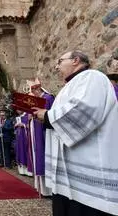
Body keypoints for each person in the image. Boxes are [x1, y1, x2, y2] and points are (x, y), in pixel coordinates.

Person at [33, 50, 118, 216]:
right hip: (70, 171)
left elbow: (83, 109)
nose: (56, 66)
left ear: (76, 60)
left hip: (90, 168)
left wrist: (48, 116)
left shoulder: (92, 77)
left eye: (60, 61)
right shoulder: (71, 85)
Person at [27, 78, 54, 196]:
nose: (33, 93)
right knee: (38, 155)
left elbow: (51, 114)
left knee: (45, 156)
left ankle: (50, 190)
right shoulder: (37, 100)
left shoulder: (48, 98)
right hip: (36, 131)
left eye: (33, 90)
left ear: (38, 89)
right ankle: (42, 188)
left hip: (44, 132)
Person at [14, 111, 32, 176]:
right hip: (19, 139)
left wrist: (23, 125)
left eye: (19, 109)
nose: (18, 111)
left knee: (25, 151)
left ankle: (29, 171)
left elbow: (30, 126)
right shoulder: (19, 116)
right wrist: (16, 125)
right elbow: (16, 128)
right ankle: (22, 171)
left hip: (25, 138)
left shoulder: (28, 115)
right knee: (20, 151)